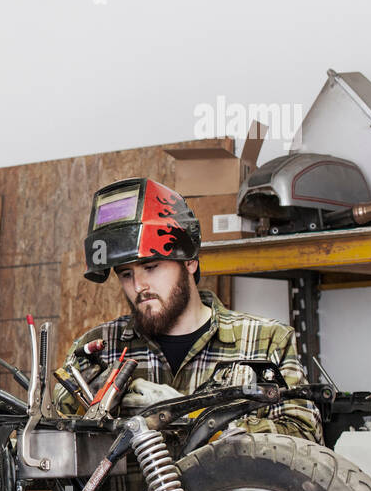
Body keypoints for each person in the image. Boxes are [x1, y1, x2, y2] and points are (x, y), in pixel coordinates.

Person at [54, 177, 323, 443]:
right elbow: (55, 442)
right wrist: (83, 410)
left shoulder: (265, 341)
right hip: (131, 490)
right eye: (126, 274)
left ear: (190, 262)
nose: (138, 286)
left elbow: (305, 439)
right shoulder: (99, 350)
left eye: (151, 267)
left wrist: (196, 416)